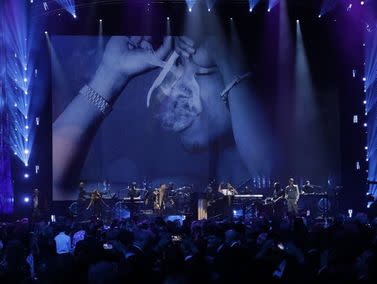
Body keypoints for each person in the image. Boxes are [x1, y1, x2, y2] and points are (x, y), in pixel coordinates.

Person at [52, 32, 273, 202]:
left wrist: (227, 55)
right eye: (177, 65)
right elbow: (53, 186)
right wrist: (110, 75)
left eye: (200, 69)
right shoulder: (179, 192)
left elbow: (267, 178)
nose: (174, 89)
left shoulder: (280, 184)